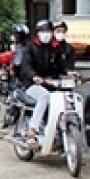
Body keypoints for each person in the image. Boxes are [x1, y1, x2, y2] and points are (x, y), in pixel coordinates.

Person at [19, 19, 69, 148]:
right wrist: (34, 76)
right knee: (44, 97)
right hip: (32, 85)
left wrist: (69, 72)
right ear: (37, 33)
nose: (46, 34)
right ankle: (32, 130)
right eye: (43, 31)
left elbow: (61, 65)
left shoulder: (55, 48)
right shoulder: (30, 47)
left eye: (48, 31)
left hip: (50, 83)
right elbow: (25, 66)